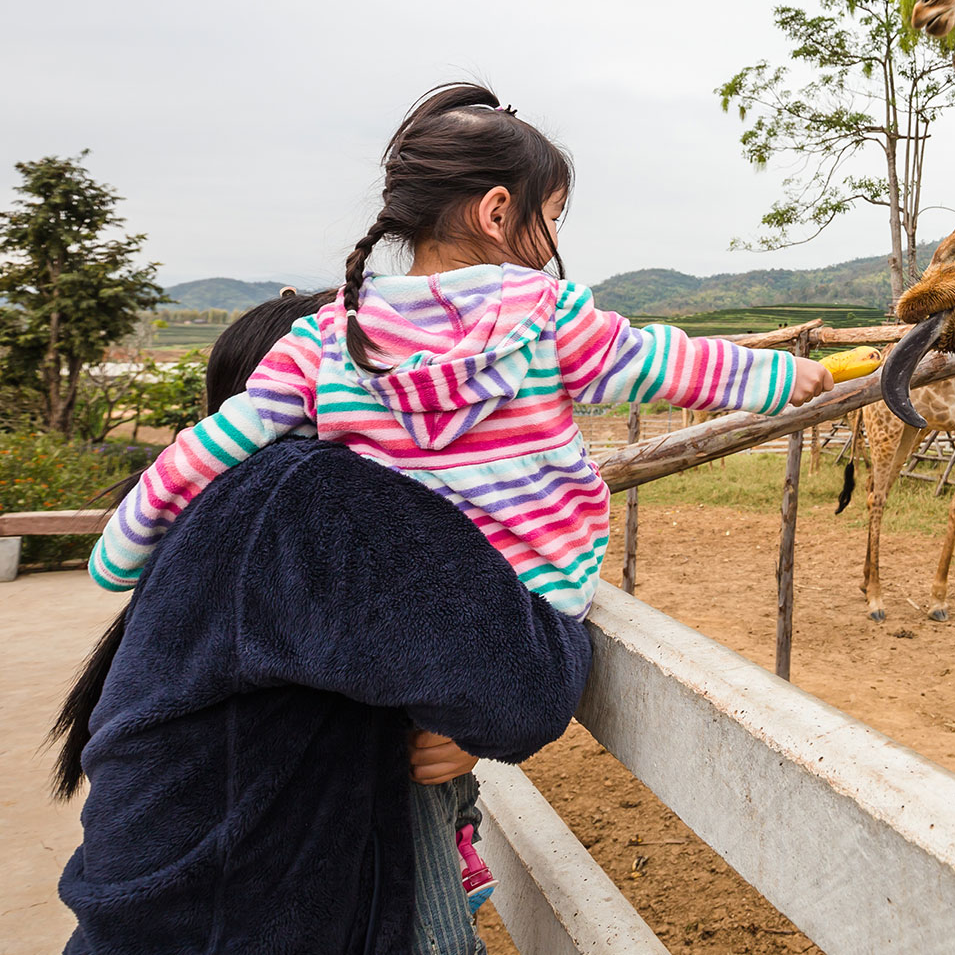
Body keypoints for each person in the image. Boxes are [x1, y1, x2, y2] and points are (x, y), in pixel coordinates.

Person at [82, 84, 835, 954]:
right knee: (444, 786)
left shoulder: (334, 336)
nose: (555, 241)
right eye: (552, 216)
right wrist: (785, 379)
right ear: (497, 210)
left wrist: (127, 543)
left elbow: (221, 439)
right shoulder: (548, 319)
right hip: (530, 603)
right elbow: (664, 362)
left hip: (400, 616)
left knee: (417, 768)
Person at [59, 287, 595, 953]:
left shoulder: (221, 515)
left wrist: (455, 722)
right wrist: (563, 597)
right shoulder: (308, 496)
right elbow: (525, 693)